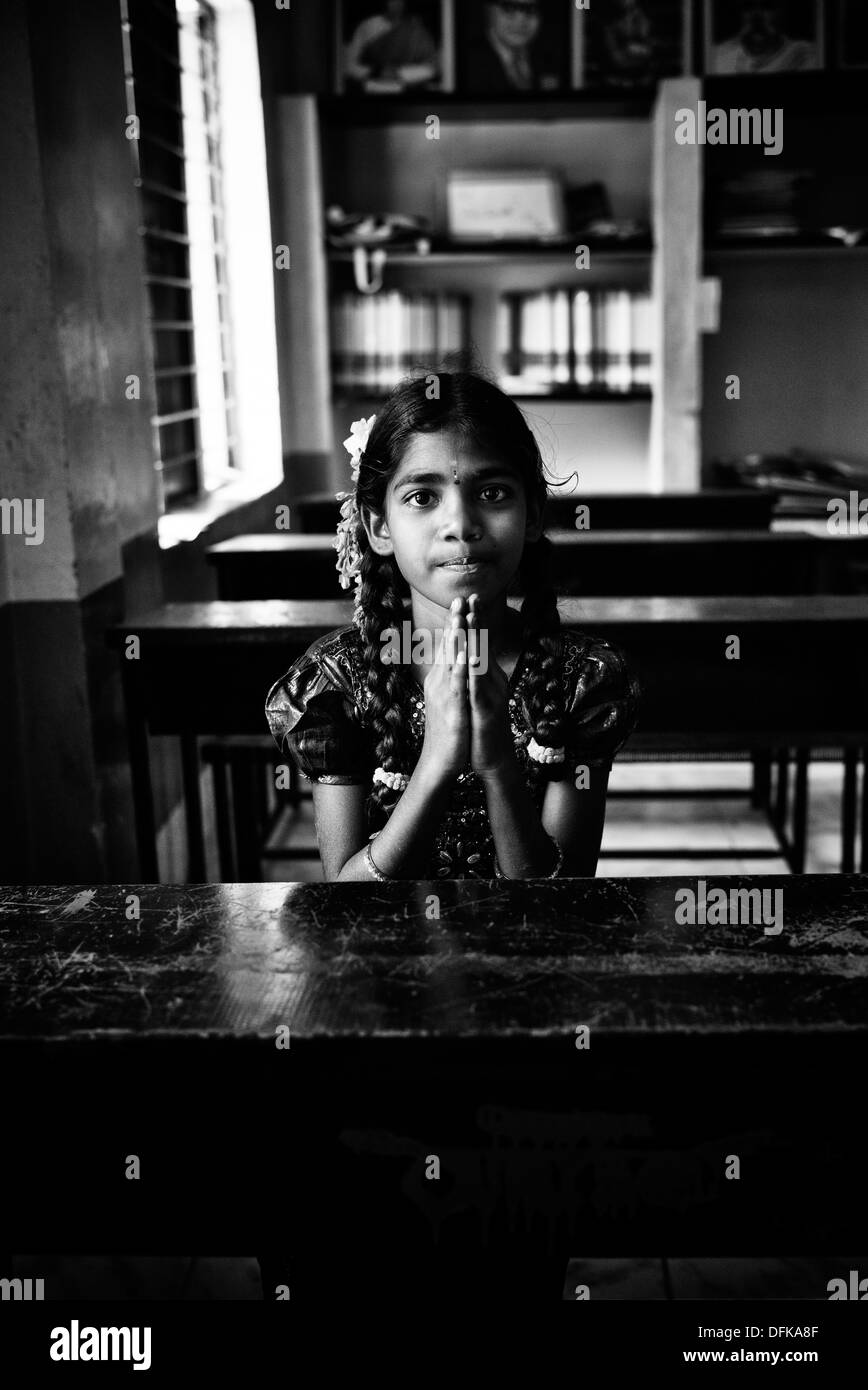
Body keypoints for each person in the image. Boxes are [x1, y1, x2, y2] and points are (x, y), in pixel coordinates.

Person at [265, 371, 642, 881]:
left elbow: (563, 895)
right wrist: (436, 762)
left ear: (532, 513)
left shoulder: (582, 679)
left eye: (492, 493)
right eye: (423, 497)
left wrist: (496, 762)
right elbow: (345, 897)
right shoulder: (339, 682)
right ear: (378, 527)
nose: (460, 523)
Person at [344, 0, 439, 90]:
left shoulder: (416, 28)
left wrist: (400, 74)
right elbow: (349, 65)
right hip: (372, 86)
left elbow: (432, 67)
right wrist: (376, 72)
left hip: (410, 88)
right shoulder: (367, 26)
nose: (396, 3)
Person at [711, 1, 820, 75]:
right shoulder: (717, 56)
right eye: (748, 6)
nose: (756, 16)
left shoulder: (807, 55)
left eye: (767, 6)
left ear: (782, 11)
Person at [467, 1, 551, 93]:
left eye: (531, 9)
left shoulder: (550, 59)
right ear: (488, 10)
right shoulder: (463, 64)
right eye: (508, 8)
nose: (521, 20)